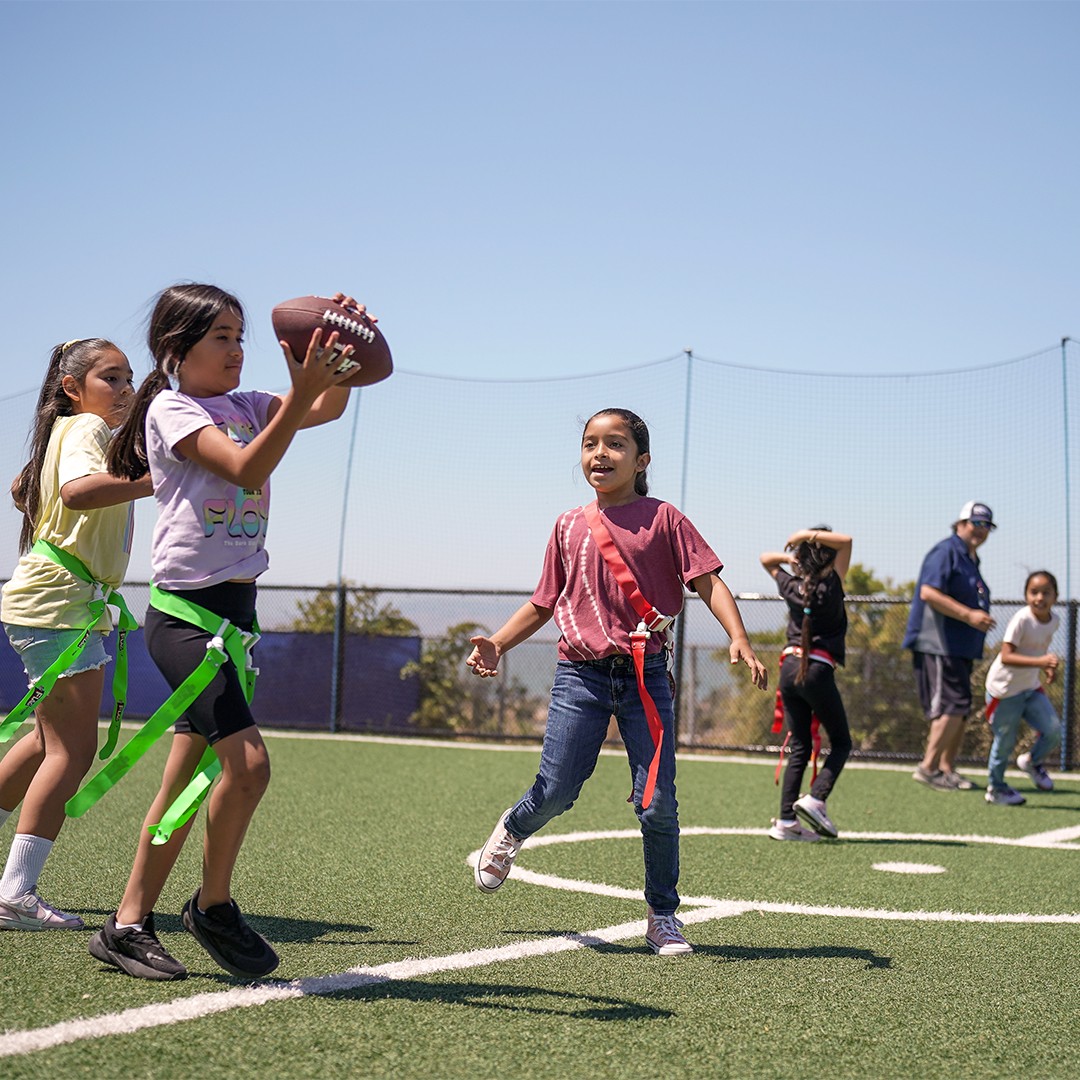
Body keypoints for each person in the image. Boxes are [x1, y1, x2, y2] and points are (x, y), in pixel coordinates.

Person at [87, 284, 364, 980]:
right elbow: (247, 466)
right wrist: (301, 394)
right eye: (223, 336)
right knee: (249, 766)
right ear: (176, 349)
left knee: (181, 788)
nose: (239, 348)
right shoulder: (171, 409)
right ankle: (212, 906)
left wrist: (340, 352)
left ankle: (124, 927)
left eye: (243, 335)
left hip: (234, 625)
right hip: (184, 622)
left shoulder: (248, 405)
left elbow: (327, 404)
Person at [466, 408, 768, 957]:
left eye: (615, 444)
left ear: (641, 460)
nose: (599, 454)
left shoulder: (666, 519)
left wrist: (739, 636)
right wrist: (497, 642)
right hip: (578, 675)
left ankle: (663, 916)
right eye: (589, 444)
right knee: (557, 789)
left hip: (645, 678)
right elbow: (542, 603)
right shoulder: (567, 525)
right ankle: (513, 827)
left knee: (657, 804)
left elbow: (710, 584)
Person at [0, 339, 152, 930]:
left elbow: (24, 489)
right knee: (73, 749)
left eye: (128, 378)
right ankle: (15, 894)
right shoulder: (86, 426)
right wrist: (154, 477)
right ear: (73, 388)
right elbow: (77, 493)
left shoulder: (73, 432)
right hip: (59, 605)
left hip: (55, 602)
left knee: (45, 740)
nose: (125, 389)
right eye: (111, 378)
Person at [760, 527, 853, 841]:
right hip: (816, 670)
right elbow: (847, 541)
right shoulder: (833, 582)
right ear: (828, 558)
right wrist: (808, 535)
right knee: (841, 743)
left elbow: (765, 559)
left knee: (800, 745)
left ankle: (786, 822)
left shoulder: (792, 585)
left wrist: (792, 555)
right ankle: (816, 798)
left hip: (789, 668)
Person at [903, 501, 996, 791]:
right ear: (960, 523)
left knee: (961, 707)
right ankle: (928, 768)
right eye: (975, 523)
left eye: (986, 526)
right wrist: (969, 615)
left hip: (960, 648)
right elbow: (929, 592)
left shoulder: (970, 557)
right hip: (939, 645)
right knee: (951, 705)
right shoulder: (946, 551)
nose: (980, 530)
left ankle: (946, 769)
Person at [983, 571, 1062, 806]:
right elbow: (1006, 656)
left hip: (1030, 687)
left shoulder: (1054, 620)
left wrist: (1047, 668)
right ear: (1026, 595)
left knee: (1053, 730)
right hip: (1004, 690)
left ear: (1055, 596)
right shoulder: (1021, 619)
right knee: (1004, 741)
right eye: (1034, 592)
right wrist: (1041, 663)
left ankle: (1032, 762)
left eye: (1046, 592)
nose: (1040, 597)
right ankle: (995, 788)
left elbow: (1039, 650)